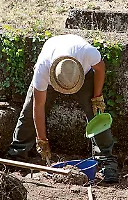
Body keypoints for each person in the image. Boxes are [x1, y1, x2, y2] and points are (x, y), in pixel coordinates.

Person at [6, 34, 119, 183]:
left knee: (96, 113)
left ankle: (106, 160)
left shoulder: (88, 53)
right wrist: (42, 141)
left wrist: (97, 96)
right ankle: (17, 156)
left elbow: (100, 69)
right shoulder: (43, 69)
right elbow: (38, 107)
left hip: (83, 75)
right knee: (28, 111)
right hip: (54, 73)